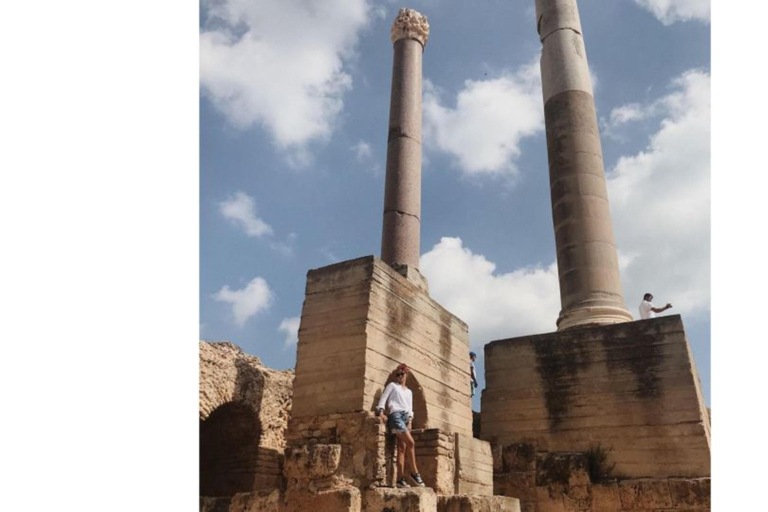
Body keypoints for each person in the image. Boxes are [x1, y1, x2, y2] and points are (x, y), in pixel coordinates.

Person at [376, 364, 425, 488]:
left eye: (401, 374)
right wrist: (381, 411)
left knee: (402, 449)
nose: (399, 376)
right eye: (397, 374)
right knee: (411, 443)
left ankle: (400, 480)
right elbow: (383, 398)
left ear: (406, 374)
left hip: (404, 418)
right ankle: (415, 473)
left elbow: (410, 408)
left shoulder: (409, 392)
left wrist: (409, 421)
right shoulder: (392, 386)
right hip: (395, 417)